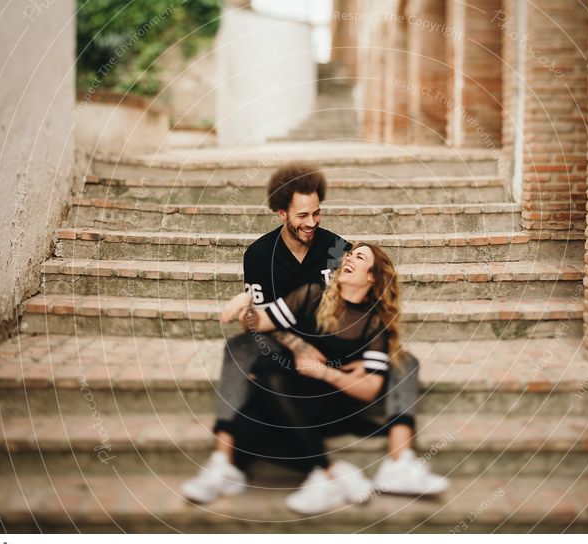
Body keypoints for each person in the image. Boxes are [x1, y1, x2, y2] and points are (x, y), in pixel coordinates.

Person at [181, 164, 446, 506]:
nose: (311, 222)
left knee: (404, 361)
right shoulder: (260, 255)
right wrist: (289, 337)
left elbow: (358, 306)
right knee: (239, 348)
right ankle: (223, 460)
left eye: (317, 212)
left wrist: (346, 363)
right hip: (284, 345)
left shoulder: (338, 249)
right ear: (281, 213)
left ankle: (400, 459)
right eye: (302, 214)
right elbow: (261, 322)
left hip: (334, 345)